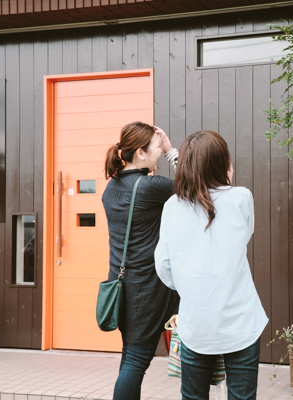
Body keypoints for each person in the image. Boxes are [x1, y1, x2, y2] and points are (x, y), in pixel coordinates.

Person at [155, 130, 268, 400]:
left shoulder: (172, 206)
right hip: (241, 321)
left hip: (197, 324)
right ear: (224, 165)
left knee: (193, 397)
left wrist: (191, 284)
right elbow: (244, 236)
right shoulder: (242, 198)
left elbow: (164, 266)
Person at [102, 121, 180, 400]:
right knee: (136, 361)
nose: (160, 151)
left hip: (122, 287)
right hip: (146, 290)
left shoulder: (111, 188)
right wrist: (174, 153)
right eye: (157, 148)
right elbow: (198, 184)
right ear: (141, 154)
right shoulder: (150, 186)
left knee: (130, 357)